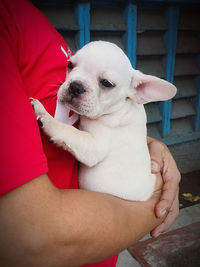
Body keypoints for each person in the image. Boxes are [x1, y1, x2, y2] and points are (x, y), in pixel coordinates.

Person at [0, 0, 181, 266]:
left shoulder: (33, 20)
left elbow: (102, 140)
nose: (75, 84)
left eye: (105, 83)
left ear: (137, 90)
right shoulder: (9, 21)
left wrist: (153, 144)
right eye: (71, 67)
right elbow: (29, 237)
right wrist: (156, 205)